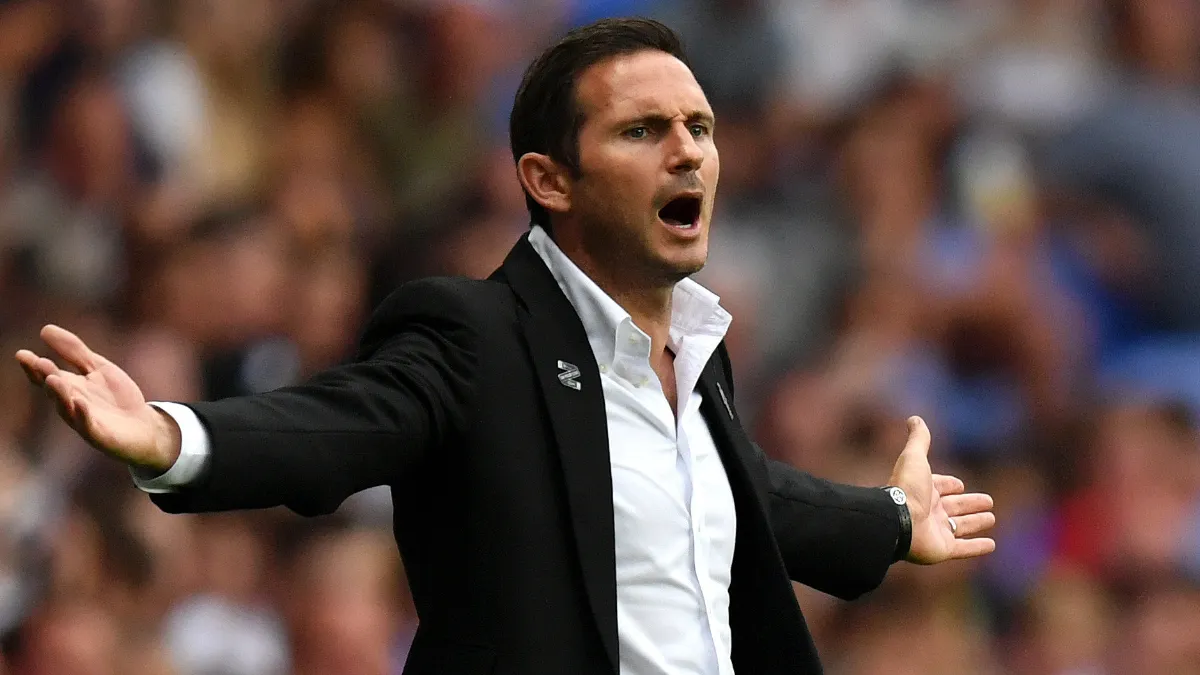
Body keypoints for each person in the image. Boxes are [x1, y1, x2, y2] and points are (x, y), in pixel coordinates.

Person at [14, 18, 996, 675]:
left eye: (698, 126)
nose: (688, 150)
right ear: (548, 179)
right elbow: (339, 426)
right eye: (644, 130)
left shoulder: (700, 355)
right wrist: (173, 436)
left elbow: (745, 497)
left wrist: (890, 519)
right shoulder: (476, 333)